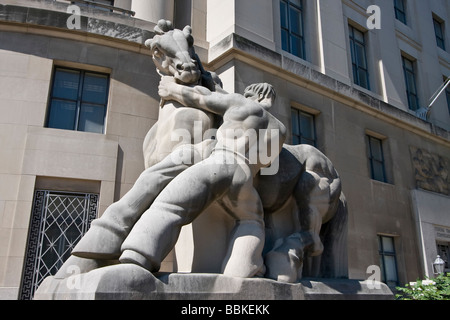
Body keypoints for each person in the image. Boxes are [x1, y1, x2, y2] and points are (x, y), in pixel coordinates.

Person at [119, 77, 287, 278]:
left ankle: (138, 255)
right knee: (252, 221)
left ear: (254, 95)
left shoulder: (243, 103)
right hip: (246, 179)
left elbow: (202, 98)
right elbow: (267, 163)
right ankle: (241, 270)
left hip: (220, 164)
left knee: (170, 206)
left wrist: (171, 89)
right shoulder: (280, 130)